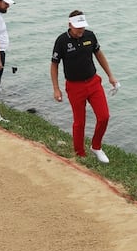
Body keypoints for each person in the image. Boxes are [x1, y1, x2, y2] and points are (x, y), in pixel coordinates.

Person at [50, 10, 119, 163]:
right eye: (77, 27)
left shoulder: (90, 36)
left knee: (104, 116)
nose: (80, 30)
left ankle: (96, 146)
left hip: (93, 82)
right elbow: (54, 65)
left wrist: (110, 76)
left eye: (82, 27)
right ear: (70, 25)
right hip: (74, 86)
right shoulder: (61, 41)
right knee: (79, 122)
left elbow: (99, 54)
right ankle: (79, 153)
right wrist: (56, 88)